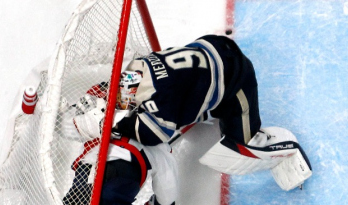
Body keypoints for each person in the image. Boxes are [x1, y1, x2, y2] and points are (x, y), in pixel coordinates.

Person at [115, 34, 312, 190]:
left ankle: (288, 149)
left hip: (237, 78)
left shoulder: (162, 99)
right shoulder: (137, 67)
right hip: (211, 47)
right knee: (188, 98)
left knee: (241, 146)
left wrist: (116, 128)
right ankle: (211, 105)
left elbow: (153, 135)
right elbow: (128, 93)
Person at [43, 77, 177, 205]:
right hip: (118, 175)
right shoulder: (153, 132)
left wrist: (56, 109)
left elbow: (67, 126)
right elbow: (167, 177)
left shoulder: (99, 117)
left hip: (89, 172)